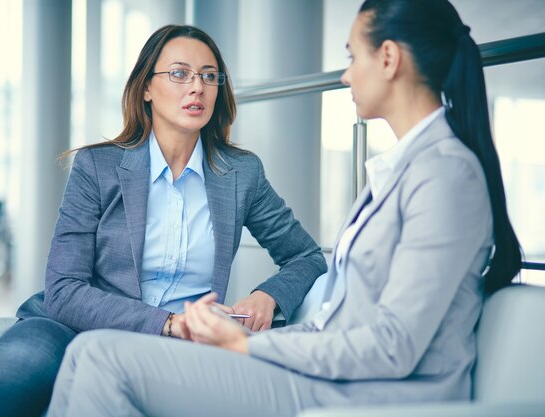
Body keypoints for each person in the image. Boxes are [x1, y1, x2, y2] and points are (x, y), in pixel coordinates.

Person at [44, 1, 524, 416]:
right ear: (146, 87)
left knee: (102, 357)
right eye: (180, 74)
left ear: (390, 58)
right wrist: (246, 342)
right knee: (91, 350)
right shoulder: (404, 168)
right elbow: (343, 324)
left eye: (352, 57)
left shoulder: (445, 174)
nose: (345, 74)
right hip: (335, 376)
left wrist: (247, 341)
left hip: (370, 394)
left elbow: (390, 344)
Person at [0, 25, 327, 417]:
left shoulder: (240, 174)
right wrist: (168, 322)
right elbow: (64, 289)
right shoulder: (97, 166)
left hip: (178, 346)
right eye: (179, 73)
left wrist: (268, 295)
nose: (197, 87)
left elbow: (306, 257)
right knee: (14, 365)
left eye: (209, 76)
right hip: (77, 325)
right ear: (146, 89)